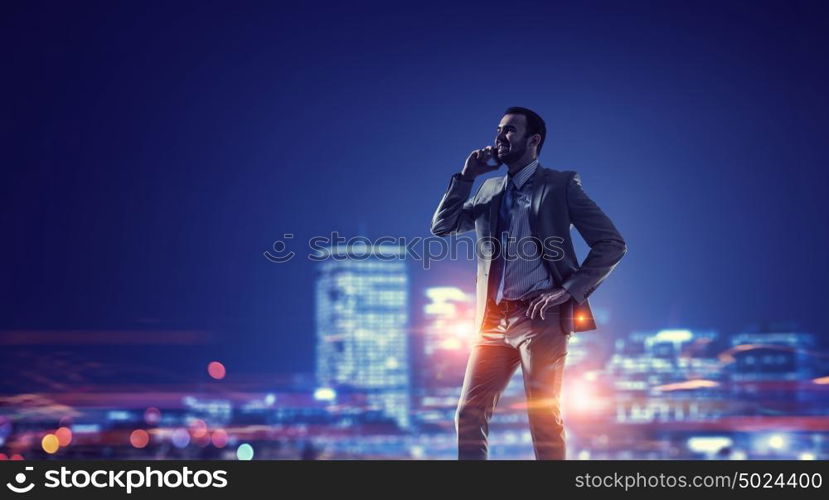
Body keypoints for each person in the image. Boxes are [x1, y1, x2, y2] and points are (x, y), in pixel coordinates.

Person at [430, 106, 627, 460]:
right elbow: (443, 226)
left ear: (533, 141)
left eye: (510, 131)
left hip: (541, 321)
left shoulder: (560, 185)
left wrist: (568, 290)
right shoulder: (489, 189)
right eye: (498, 129)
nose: (499, 137)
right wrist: (466, 176)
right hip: (491, 322)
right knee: (469, 413)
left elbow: (611, 244)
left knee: (542, 417)